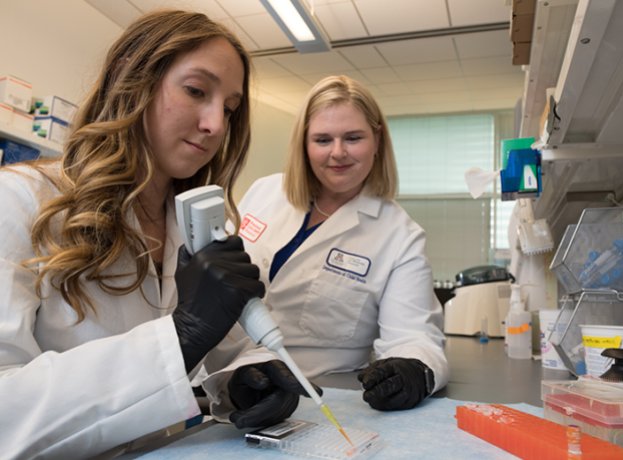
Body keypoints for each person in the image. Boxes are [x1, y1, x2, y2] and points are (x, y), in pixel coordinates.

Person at [0, 10, 312, 459]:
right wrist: (178, 339)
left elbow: (230, 346)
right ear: (132, 77)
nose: (216, 125)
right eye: (195, 91)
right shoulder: (22, 203)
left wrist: (246, 377)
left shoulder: (196, 224)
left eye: (228, 108)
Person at [233, 75, 449, 411]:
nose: (338, 153)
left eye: (353, 138)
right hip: (223, 383)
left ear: (377, 139)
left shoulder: (399, 236)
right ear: (303, 144)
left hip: (313, 400)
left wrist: (415, 370)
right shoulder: (263, 192)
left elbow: (414, 336)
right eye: (322, 139)